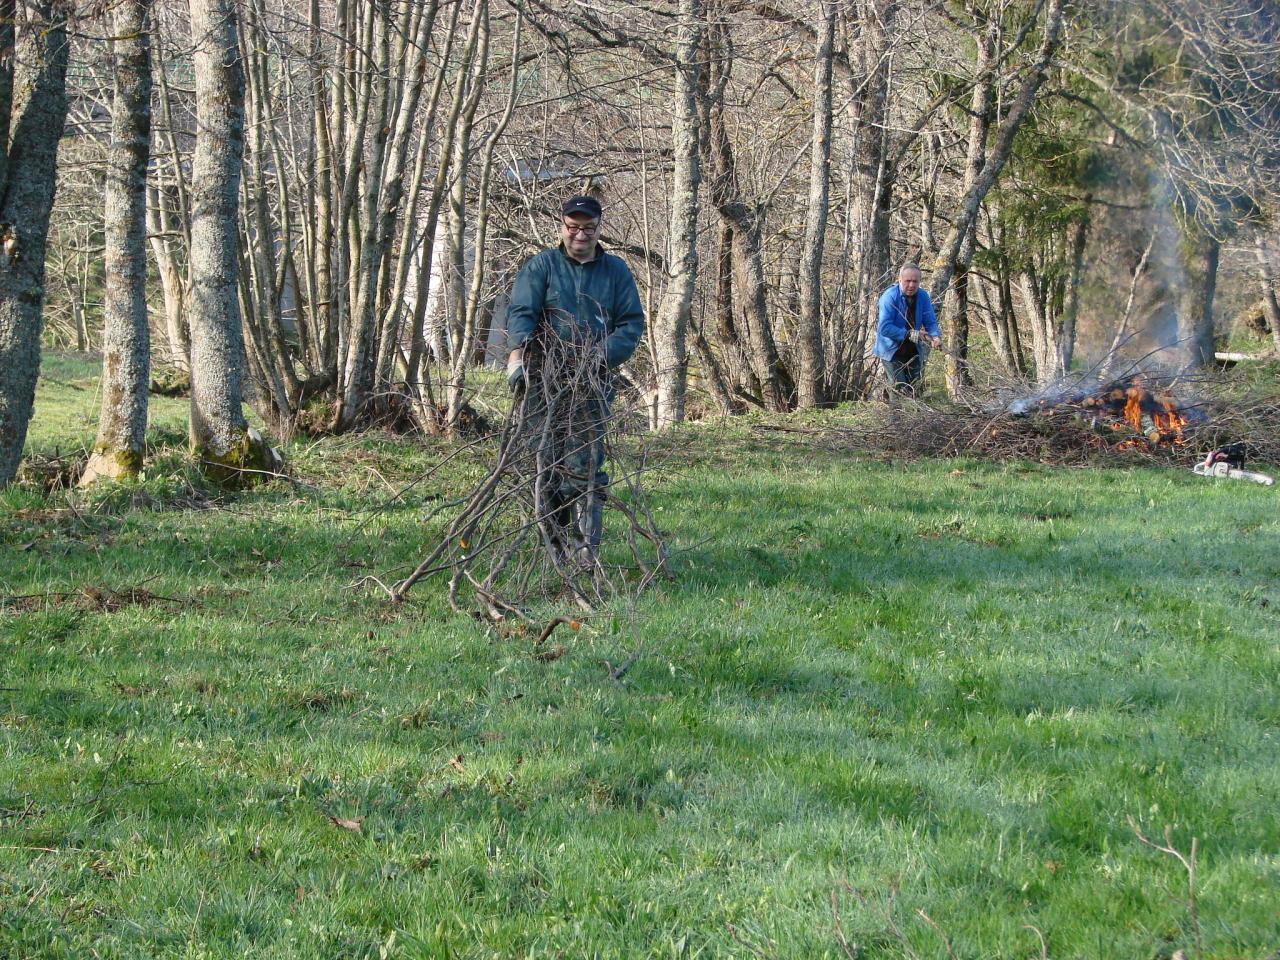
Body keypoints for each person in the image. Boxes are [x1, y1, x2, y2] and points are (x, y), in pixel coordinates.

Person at [503, 196, 645, 560]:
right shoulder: (542, 266)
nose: (580, 233)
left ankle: (585, 552)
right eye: (573, 226)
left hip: (592, 382)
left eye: (588, 227)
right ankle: (555, 548)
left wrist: (601, 355)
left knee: (585, 462)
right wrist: (517, 359)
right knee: (544, 460)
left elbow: (630, 324)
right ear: (562, 227)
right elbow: (522, 314)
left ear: (599, 229)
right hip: (543, 379)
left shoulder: (616, 271)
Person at [874, 262, 943, 396]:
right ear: (900, 280)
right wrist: (908, 334)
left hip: (913, 349)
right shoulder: (889, 297)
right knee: (899, 390)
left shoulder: (923, 296)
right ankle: (896, 417)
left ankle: (916, 417)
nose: (911, 285)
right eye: (908, 281)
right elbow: (884, 328)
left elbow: (930, 320)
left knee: (916, 390)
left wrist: (935, 337)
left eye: (915, 281)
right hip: (891, 351)